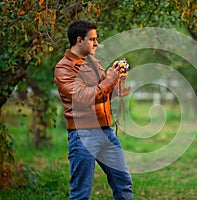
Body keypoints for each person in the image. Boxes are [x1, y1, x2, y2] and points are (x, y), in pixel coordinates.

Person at [54, 20, 133, 200]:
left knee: (124, 183)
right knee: (81, 192)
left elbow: (108, 93)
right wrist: (108, 80)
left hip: (106, 131)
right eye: (92, 39)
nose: (96, 43)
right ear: (79, 40)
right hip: (83, 135)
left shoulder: (93, 62)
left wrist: (118, 78)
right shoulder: (64, 68)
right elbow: (82, 97)